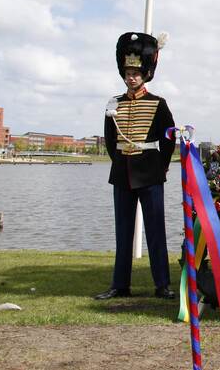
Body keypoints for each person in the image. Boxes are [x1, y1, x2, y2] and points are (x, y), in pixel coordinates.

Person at [95, 32, 176, 300]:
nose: (131, 77)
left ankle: (162, 284)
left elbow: (169, 140)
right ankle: (120, 285)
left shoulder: (158, 104)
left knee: (155, 232)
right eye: (128, 72)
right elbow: (110, 141)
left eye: (136, 72)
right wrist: (121, 162)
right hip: (122, 174)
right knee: (123, 233)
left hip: (150, 173)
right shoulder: (113, 104)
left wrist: (160, 168)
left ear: (145, 73)